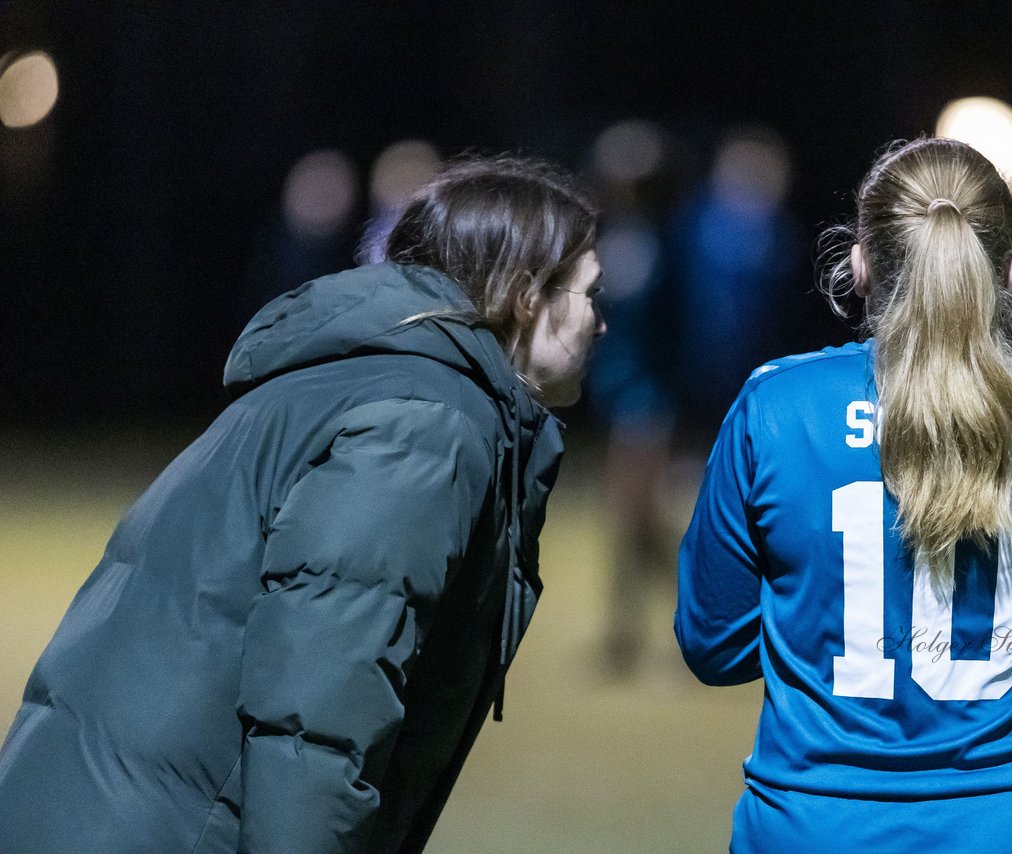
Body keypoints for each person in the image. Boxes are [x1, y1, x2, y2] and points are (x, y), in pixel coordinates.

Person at [0, 154, 605, 853]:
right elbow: (320, 708)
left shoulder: (361, 380)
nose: (599, 323)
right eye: (591, 294)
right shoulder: (422, 422)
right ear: (528, 295)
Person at [675, 137, 1012, 853]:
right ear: (1011, 271)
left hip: (812, 829)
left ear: (860, 264)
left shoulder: (774, 409)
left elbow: (714, 645)